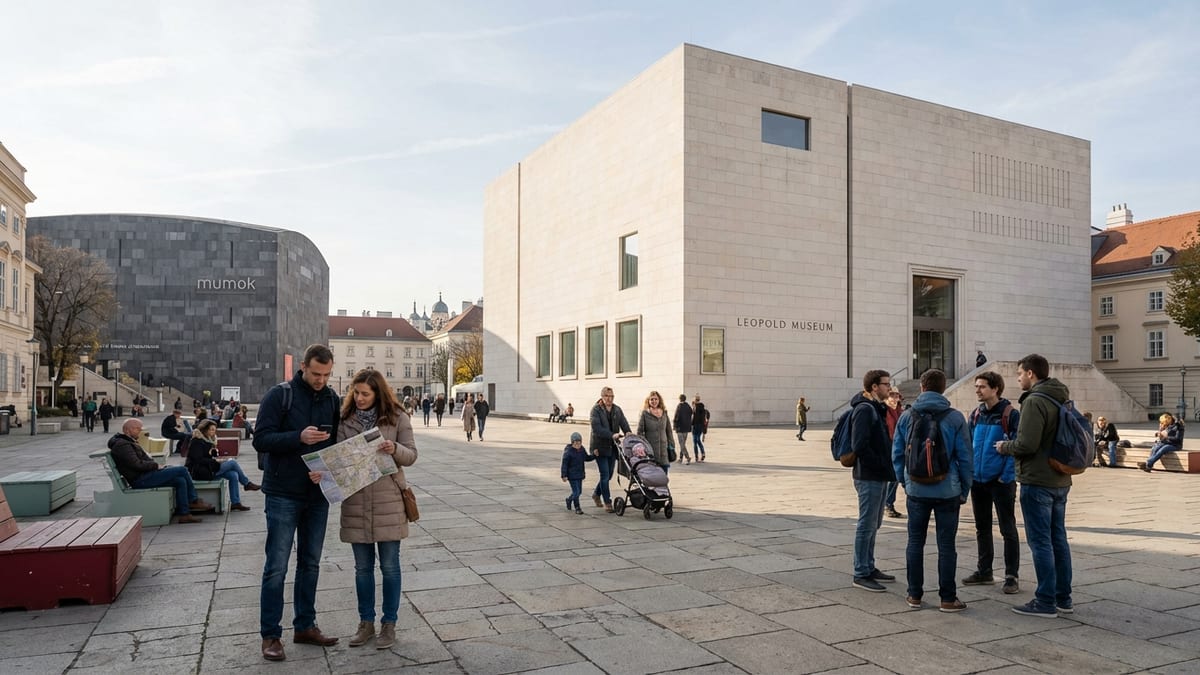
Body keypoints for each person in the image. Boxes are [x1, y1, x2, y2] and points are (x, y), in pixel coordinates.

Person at [253, 344, 342, 661]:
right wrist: (298, 437)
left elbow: (335, 445)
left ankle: (305, 625)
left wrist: (328, 468)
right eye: (316, 373)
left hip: (317, 494)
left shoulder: (332, 399)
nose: (321, 380)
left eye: (327, 374)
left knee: (311, 563)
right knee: (276, 566)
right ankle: (271, 636)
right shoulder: (280, 395)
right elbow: (260, 439)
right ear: (303, 366)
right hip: (282, 492)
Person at [333, 369, 418, 651]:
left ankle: (389, 624)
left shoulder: (397, 417)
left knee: (390, 567)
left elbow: (412, 455)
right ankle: (365, 623)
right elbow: (338, 459)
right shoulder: (345, 420)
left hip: (388, 500)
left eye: (365, 394)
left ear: (378, 393)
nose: (358, 398)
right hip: (356, 501)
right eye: (355, 393)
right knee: (362, 569)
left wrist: (393, 448)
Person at [996, 353, 1074, 618]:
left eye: (1019, 373)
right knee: (1058, 539)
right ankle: (1063, 597)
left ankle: (1045, 600)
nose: (1017, 378)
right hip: (1061, 478)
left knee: (1040, 542)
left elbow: (1027, 444)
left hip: (1038, 479)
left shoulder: (1035, 401)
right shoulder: (1060, 396)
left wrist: (1004, 446)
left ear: (1030, 373)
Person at [891, 369, 972, 612]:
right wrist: (964, 488)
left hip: (916, 489)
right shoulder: (955, 417)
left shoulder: (907, 416)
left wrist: (904, 482)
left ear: (922, 388)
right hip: (947, 491)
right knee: (946, 545)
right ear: (943, 388)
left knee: (915, 542)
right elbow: (966, 457)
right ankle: (948, 598)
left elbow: (896, 454)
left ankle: (914, 595)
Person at [963, 371, 1021, 595]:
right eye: (976, 386)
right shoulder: (976, 414)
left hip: (1000, 482)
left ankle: (1011, 575)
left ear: (996, 388)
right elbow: (968, 444)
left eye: (982, 386)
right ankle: (984, 570)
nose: (977, 390)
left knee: (1008, 529)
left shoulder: (1010, 414)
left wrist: (1005, 476)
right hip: (978, 481)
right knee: (982, 528)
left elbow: (1015, 448)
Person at [108, 418, 214, 524]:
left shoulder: (127, 441)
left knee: (180, 480)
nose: (140, 431)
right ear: (127, 430)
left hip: (145, 475)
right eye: (137, 429)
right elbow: (136, 464)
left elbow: (141, 461)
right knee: (182, 470)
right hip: (140, 479)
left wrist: (159, 467)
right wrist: (155, 466)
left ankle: (184, 514)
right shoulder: (123, 445)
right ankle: (193, 500)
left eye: (140, 429)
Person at [849, 369, 897, 592]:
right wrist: (879, 463)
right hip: (869, 475)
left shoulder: (876, 408)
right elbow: (859, 445)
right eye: (886, 384)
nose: (889, 388)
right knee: (866, 524)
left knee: (874, 524)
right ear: (874, 387)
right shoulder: (865, 410)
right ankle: (860, 572)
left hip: (879, 474)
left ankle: (869, 566)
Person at [185, 419, 260, 511]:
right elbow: (198, 459)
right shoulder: (197, 441)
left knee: (233, 475)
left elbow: (208, 456)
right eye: (211, 429)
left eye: (214, 430)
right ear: (205, 430)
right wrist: (216, 462)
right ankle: (247, 484)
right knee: (232, 463)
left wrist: (215, 454)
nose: (213, 432)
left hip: (208, 468)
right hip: (200, 472)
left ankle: (235, 503)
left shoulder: (208, 441)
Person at [590, 386, 631, 513]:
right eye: (607, 396)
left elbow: (623, 422)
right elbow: (597, 429)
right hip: (599, 447)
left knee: (609, 474)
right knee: (605, 474)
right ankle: (607, 502)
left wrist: (628, 432)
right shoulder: (595, 410)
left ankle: (596, 494)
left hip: (612, 447)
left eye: (611, 396)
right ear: (602, 396)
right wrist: (611, 435)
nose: (609, 398)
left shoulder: (617, 409)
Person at [636, 390, 674, 473]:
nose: (654, 401)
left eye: (656, 399)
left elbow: (669, 431)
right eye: (651, 399)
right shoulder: (645, 414)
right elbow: (640, 432)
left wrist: (672, 444)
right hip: (651, 451)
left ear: (659, 400)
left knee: (664, 476)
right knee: (653, 477)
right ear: (648, 401)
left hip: (664, 451)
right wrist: (643, 446)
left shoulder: (664, 413)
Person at [883, 391, 906, 519]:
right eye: (892, 395)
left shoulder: (900, 411)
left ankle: (888, 503)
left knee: (896, 477)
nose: (894, 398)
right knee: (894, 477)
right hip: (889, 447)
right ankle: (887, 503)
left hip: (898, 446)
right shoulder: (885, 411)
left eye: (896, 396)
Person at [561, 431, 594, 514]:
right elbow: (564, 464)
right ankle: (577, 507)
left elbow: (586, 458)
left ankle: (569, 500)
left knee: (579, 492)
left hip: (580, 475)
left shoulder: (582, 449)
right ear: (572, 443)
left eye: (579, 443)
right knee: (576, 492)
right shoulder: (568, 452)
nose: (578, 445)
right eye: (576, 443)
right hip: (572, 476)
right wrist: (564, 475)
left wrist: (594, 455)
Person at [673, 394, 693, 465]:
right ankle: (681, 458)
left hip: (680, 428)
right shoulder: (688, 406)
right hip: (686, 428)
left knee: (681, 444)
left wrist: (674, 426)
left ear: (680, 399)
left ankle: (687, 457)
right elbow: (691, 413)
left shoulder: (679, 406)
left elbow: (676, 416)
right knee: (683, 443)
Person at [692, 395, 709, 461]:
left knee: (695, 441)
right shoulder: (703, 409)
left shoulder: (695, 407)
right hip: (700, 426)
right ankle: (703, 453)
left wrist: (693, 408)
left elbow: (693, 418)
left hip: (695, 426)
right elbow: (705, 419)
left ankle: (696, 456)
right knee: (698, 440)